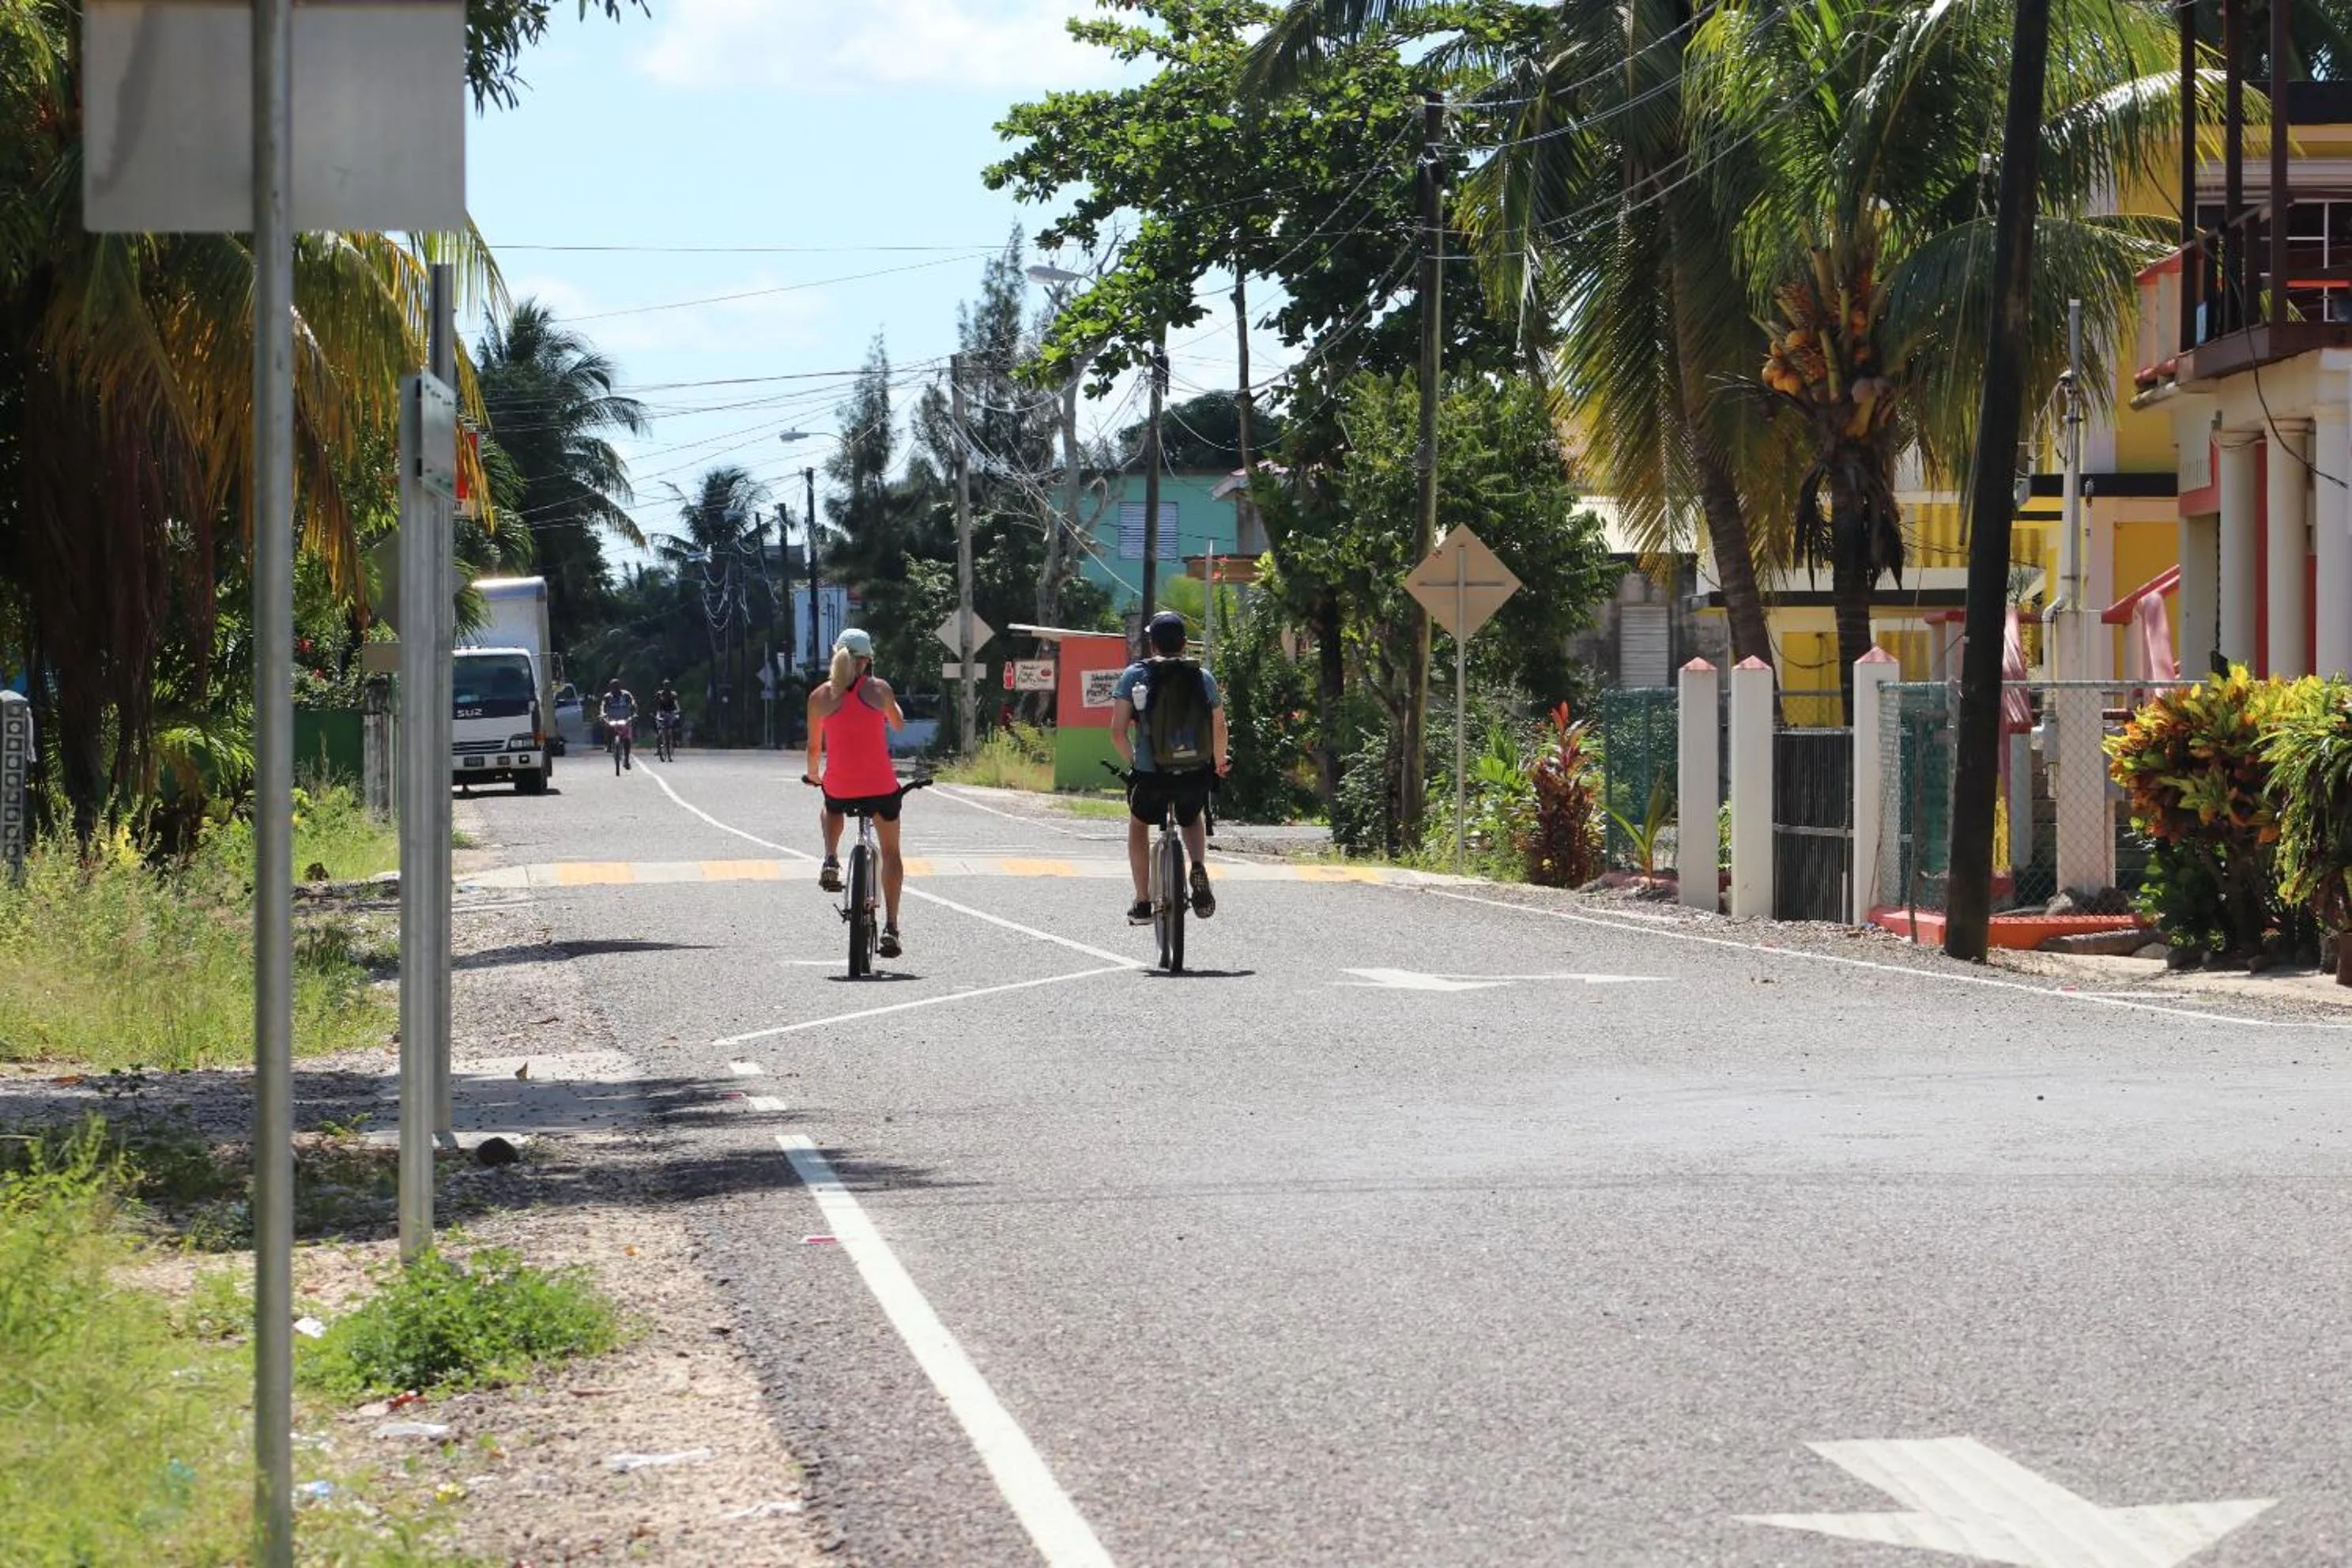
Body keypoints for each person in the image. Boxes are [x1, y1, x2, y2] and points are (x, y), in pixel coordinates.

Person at [1111, 609, 1229, 924]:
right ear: (1183, 644)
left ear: (1153, 645)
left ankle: (1142, 901)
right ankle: (1198, 865)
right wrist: (1218, 763)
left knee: (1139, 823)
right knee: (1192, 816)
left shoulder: (1135, 676)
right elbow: (1219, 726)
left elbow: (1117, 732)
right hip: (1194, 771)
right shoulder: (1202, 677)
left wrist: (1136, 762)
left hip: (1152, 774)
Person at [805, 628, 910, 958]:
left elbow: (812, 747)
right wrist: (890, 707)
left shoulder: (819, 697)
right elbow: (898, 725)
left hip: (840, 785)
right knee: (891, 853)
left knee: (830, 803)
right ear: (867, 662)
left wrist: (814, 776)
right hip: (880, 787)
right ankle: (891, 927)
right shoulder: (880, 690)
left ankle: (831, 859)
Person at [598, 677, 638, 768]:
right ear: (610, 687)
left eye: (617, 686)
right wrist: (602, 714)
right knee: (608, 727)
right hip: (612, 719)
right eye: (613, 687)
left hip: (625, 719)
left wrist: (634, 713)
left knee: (627, 739)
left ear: (620, 686)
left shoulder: (626, 695)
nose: (615, 689)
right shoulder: (607, 697)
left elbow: (633, 704)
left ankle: (626, 760)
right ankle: (608, 745)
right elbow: (603, 706)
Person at [653, 680, 681, 751]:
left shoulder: (673, 694)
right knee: (659, 729)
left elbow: (676, 703)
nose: (666, 687)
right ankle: (658, 748)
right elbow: (656, 703)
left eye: (668, 685)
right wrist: (655, 712)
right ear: (663, 686)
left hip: (671, 712)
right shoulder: (659, 694)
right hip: (662, 712)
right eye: (665, 685)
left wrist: (677, 710)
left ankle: (674, 740)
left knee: (674, 725)